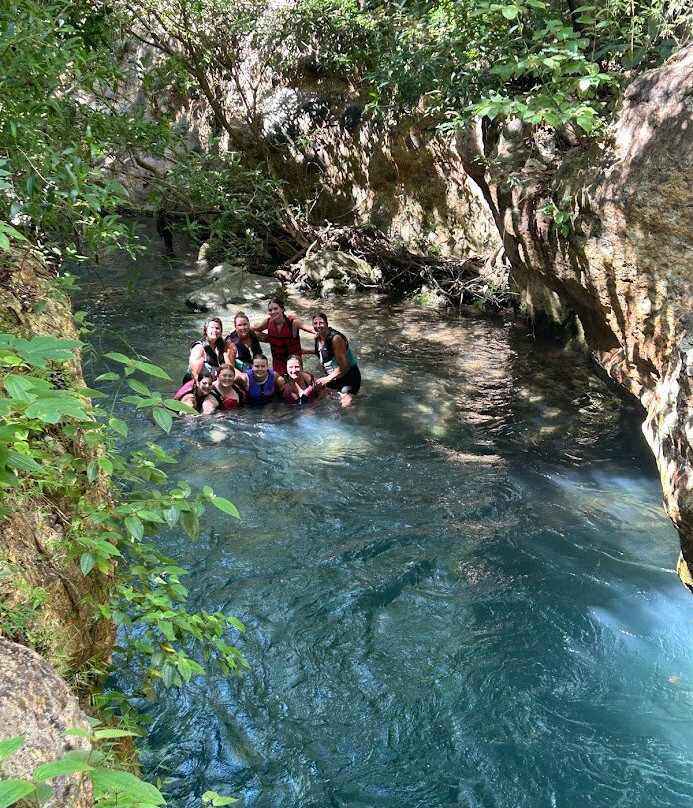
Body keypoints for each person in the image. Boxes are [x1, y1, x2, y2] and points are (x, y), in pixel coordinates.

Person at [253, 298, 315, 375]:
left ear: (282, 309)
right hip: (278, 362)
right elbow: (255, 330)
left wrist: (323, 337)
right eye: (270, 310)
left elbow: (313, 329)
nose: (273, 312)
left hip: (294, 363)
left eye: (275, 309)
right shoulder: (268, 322)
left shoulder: (293, 323)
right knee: (280, 384)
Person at [312, 312, 361, 406]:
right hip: (334, 378)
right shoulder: (317, 338)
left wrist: (328, 378)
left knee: (345, 404)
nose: (318, 326)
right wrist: (304, 351)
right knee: (321, 399)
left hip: (349, 377)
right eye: (315, 323)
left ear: (327, 324)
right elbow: (324, 352)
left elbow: (345, 365)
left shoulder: (335, 339)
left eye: (321, 323)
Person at [184, 317, 226, 383]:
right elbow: (194, 374)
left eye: (217, 328)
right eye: (211, 328)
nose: (214, 330)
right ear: (206, 331)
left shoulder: (222, 344)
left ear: (221, 331)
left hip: (215, 382)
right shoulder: (199, 348)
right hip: (199, 384)